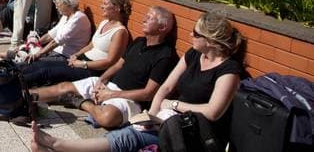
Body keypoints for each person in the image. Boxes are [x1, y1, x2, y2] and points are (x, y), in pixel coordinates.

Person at [30, 11, 244, 152]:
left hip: (193, 133)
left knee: (126, 139)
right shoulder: (194, 55)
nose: (190, 35)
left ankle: (55, 144)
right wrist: (153, 114)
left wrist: (175, 105)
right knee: (126, 136)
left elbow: (213, 112)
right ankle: (54, 143)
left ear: (211, 40)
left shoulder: (229, 71)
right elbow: (167, 87)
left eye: (196, 33)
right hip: (168, 120)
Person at [29, 6, 177, 129]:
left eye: (150, 18)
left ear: (162, 27)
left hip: (129, 99)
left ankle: (82, 103)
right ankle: (23, 96)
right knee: (62, 87)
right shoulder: (139, 41)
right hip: (109, 86)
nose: (144, 19)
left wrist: (111, 95)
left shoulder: (166, 56)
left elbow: (148, 94)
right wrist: (101, 80)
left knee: (107, 118)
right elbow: (119, 64)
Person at [16, 0, 131, 87]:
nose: (101, 6)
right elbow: (91, 45)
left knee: (46, 71)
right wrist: (76, 55)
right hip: (81, 61)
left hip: (92, 69)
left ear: (117, 8)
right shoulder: (104, 22)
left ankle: (14, 84)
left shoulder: (120, 32)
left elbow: (109, 62)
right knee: (40, 64)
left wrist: (83, 64)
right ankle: (11, 74)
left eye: (105, 4)